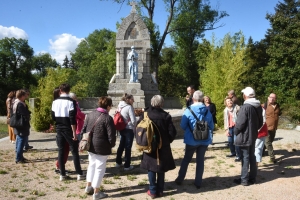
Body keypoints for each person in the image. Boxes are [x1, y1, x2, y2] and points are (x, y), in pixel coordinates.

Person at [137, 95, 177, 198]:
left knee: (151, 168)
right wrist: (167, 141)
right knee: (161, 168)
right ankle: (160, 190)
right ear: (162, 103)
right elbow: (172, 132)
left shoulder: (145, 115)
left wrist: (142, 141)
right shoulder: (166, 116)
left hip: (148, 145)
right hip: (162, 146)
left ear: (151, 102)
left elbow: (137, 129)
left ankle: (153, 191)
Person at [175, 90, 214, 189]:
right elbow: (212, 126)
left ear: (193, 99)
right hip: (204, 139)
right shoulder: (207, 110)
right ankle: (198, 182)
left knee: (186, 159)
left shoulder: (188, 110)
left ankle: (180, 179)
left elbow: (183, 126)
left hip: (191, 139)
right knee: (200, 161)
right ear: (202, 99)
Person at [81, 96, 116, 199]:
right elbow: (111, 136)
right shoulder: (108, 118)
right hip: (102, 146)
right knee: (100, 168)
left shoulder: (90, 114)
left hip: (90, 144)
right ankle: (96, 192)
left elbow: (83, 129)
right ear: (108, 106)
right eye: (110, 106)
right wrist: (111, 145)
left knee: (91, 165)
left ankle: (88, 186)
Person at [51, 83, 84, 181]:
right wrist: (74, 132)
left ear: (60, 90)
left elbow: (53, 117)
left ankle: (62, 174)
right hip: (68, 128)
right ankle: (79, 173)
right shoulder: (71, 101)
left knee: (61, 150)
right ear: (69, 90)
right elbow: (72, 118)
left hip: (59, 127)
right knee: (74, 151)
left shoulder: (55, 101)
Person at [233, 87, 263, 186]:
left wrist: (235, 131)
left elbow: (240, 123)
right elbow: (260, 122)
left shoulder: (245, 107)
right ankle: (252, 178)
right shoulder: (258, 106)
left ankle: (244, 179)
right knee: (252, 156)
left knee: (245, 158)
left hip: (245, 136)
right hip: (253, 135)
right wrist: (253, 130)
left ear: (245, 95)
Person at [115, 93, 137, 170]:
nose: (133, 101)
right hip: (129, 129)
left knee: (121, 145)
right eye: (132, 99)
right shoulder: (129, 107)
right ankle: (127, 165)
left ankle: (118, 162)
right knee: (128, 147)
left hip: (121, 128)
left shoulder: (119, 106)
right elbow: (133, 120)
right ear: (127, 99)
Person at [53, 88, 70, 174]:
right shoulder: (61, 102)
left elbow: (53, 117)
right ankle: (59, 166)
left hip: (59, 127)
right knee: (64, 149)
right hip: (65, 128)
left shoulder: (55, 103)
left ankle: (59, 166)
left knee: (63, 149)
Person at [13, 89, 31, 163]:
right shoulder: (20, 104)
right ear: (22, 96)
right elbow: (24, 114)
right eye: (25, 95)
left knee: (19, 139)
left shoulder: (15, 102)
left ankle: (20, 156)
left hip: (17, 123)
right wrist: (28, 113)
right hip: (21, 124)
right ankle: (19, 158)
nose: (26, 97)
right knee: (21, 140)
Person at [263, 93, 281, 163]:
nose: (272, 99)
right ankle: (272, 158)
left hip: (274, 127)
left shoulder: (277, 106)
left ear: (275, 99)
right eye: (270, 97)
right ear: (268, 98)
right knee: (268, 142)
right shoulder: (264, 105)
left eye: (273, 98)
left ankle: (261, 152)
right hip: (266, 127)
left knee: (271, 140)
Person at [224, 96, 241, 162]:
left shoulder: (237, 107)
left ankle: (239, 156)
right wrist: (226, 129)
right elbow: (225, 120)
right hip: (230, 127)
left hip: (236, 127)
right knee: (230, 141)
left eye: (230, 100)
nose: (230, 102)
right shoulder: (225, 110)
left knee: (236, 141)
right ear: (226, 103)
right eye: (228, 101)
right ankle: (233, 153)